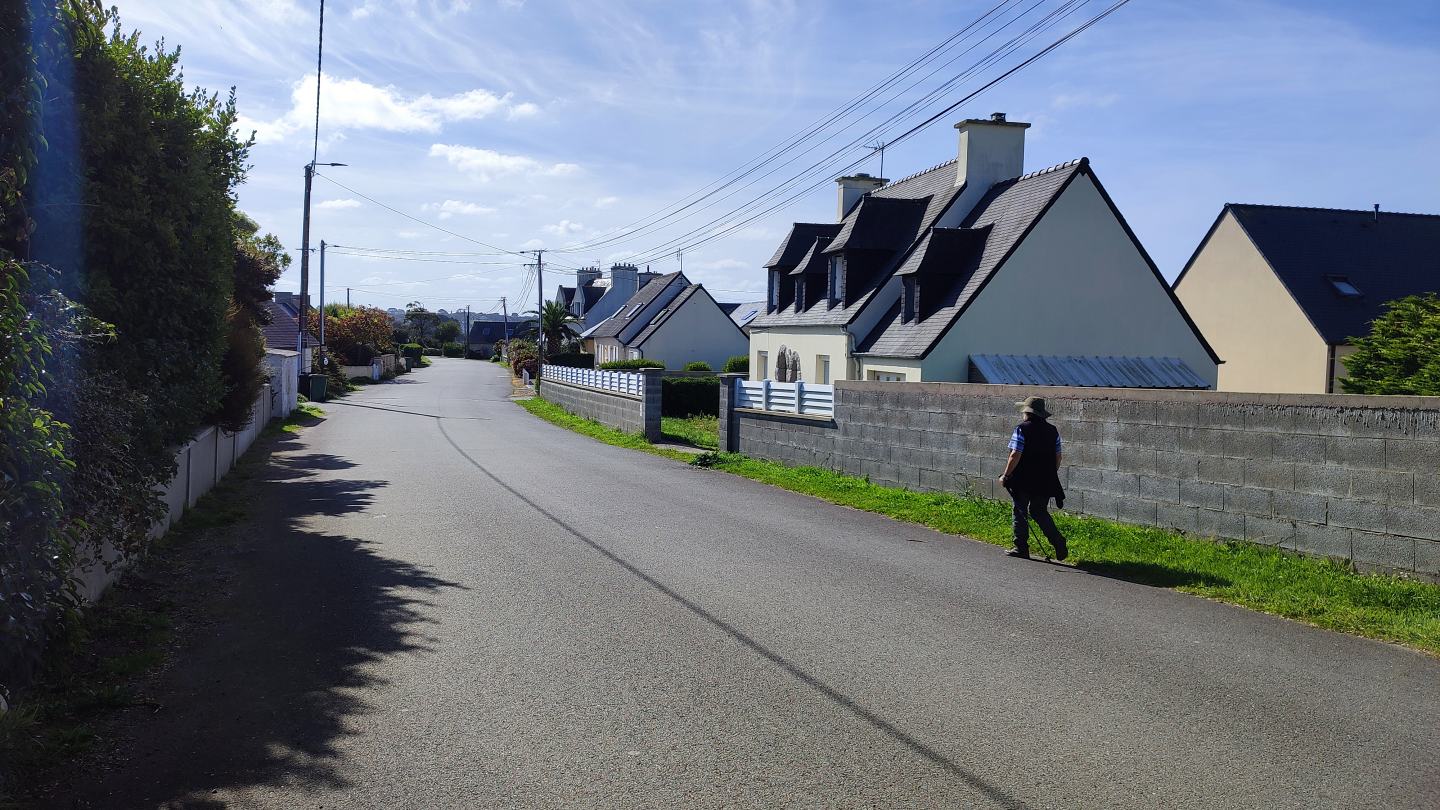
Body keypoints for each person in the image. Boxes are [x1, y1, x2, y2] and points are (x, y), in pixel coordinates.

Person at [998, 396, 1068, 560]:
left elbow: (1015, 454)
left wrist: (1006, 475)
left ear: (1027, 412)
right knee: (1039, 511)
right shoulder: (1053, 431)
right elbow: (1058, 457)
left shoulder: (1022, 429)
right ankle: (1058, 541)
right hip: (1045, 480)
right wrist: (1050, 473)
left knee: (1020, 510)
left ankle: (1021, 547)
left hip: (1023, 479)